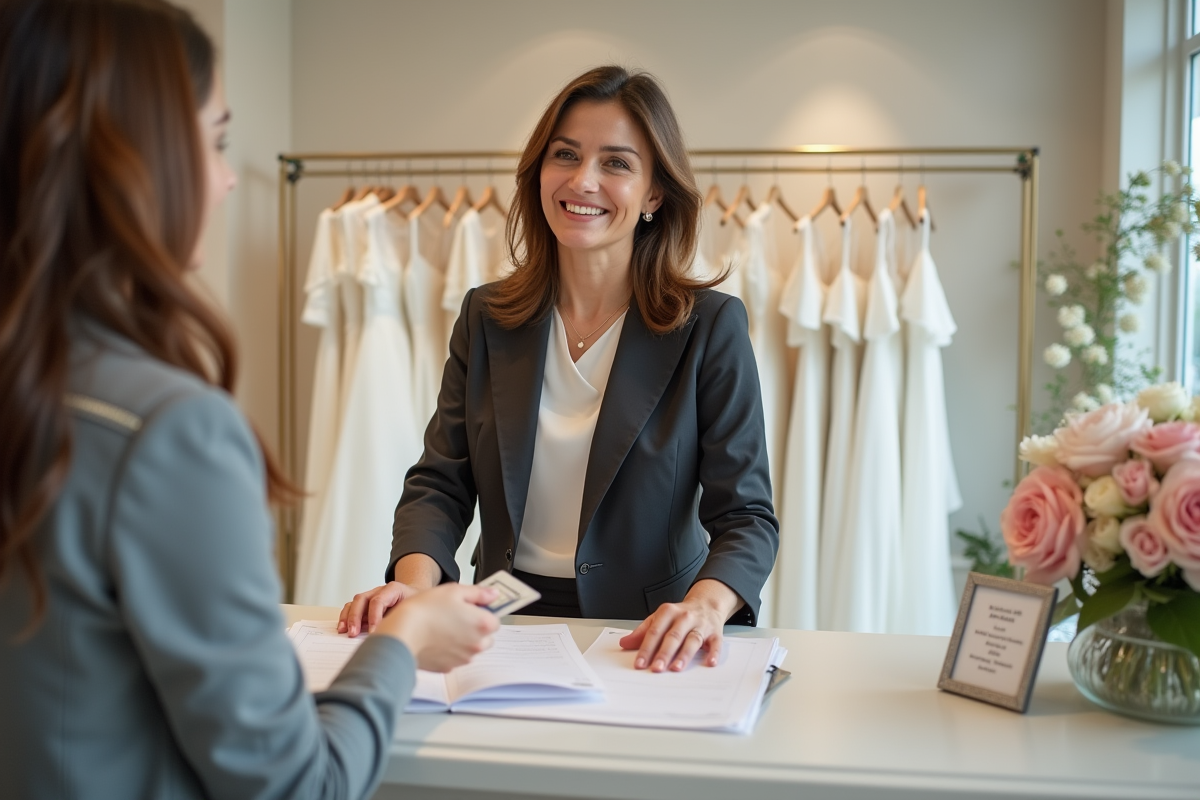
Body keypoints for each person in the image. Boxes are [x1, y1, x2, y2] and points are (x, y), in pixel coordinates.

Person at [0, 2, 499, 799]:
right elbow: (295, 783)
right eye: (218, 139)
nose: (229, 177)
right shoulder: (169, 432)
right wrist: (402, 644)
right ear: (132, 160)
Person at [342, 65, 778, 674]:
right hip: (500, 614)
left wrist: (705, 606)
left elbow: (746, 518)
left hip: (646, 633)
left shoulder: (708, 327)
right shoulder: (487, 317)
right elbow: (440, 483)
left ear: (655, 193)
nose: (583, 180)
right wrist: (413, 589)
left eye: (617, 163)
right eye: (565, 155)